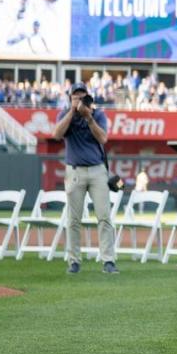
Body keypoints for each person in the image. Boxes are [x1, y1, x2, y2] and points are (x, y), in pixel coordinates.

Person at [52, 82, 118, 275]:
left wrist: (88, 117)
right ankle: (74, 261)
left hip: (97, 171)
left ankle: (108, 260)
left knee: (104, 217)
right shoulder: (64, 114)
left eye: (82, 97)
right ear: (70, 98)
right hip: (75, 171)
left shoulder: (97, 114)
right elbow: (56, 134)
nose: (79, 100)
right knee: (73, 220)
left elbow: (103, 139)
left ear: (88, 97)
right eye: (75, 97)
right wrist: (73, 112)